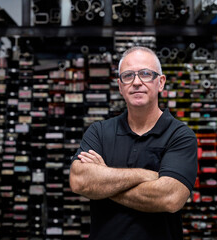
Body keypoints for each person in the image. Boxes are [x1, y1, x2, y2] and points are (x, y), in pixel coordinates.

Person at [69, 46, 198, 240]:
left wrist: (102, 185)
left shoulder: (180, 135)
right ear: (120, 86)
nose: (136, 82)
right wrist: (146, 176)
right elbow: (79, 180)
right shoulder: (99, 132)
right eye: (128, 76)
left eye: (146, 74)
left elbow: (170, 198)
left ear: (160, 82)